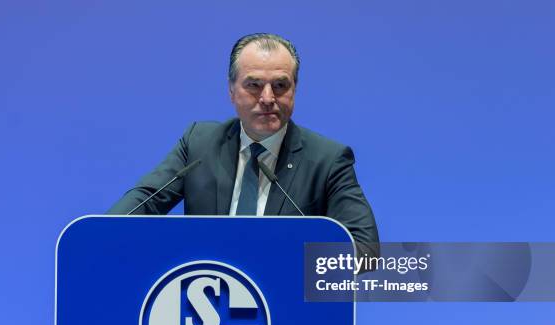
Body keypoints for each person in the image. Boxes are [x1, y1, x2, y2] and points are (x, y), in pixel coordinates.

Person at [108, 33, 379, 256]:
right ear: (231, 90)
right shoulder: (199, 143)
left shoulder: (328, 160)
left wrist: (281, 258)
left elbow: (366, 250)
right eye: (254, 85)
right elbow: (143, 203)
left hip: (287, 305)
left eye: (280, 85)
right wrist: (97, 235)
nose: (268, 97)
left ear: (295, 90)